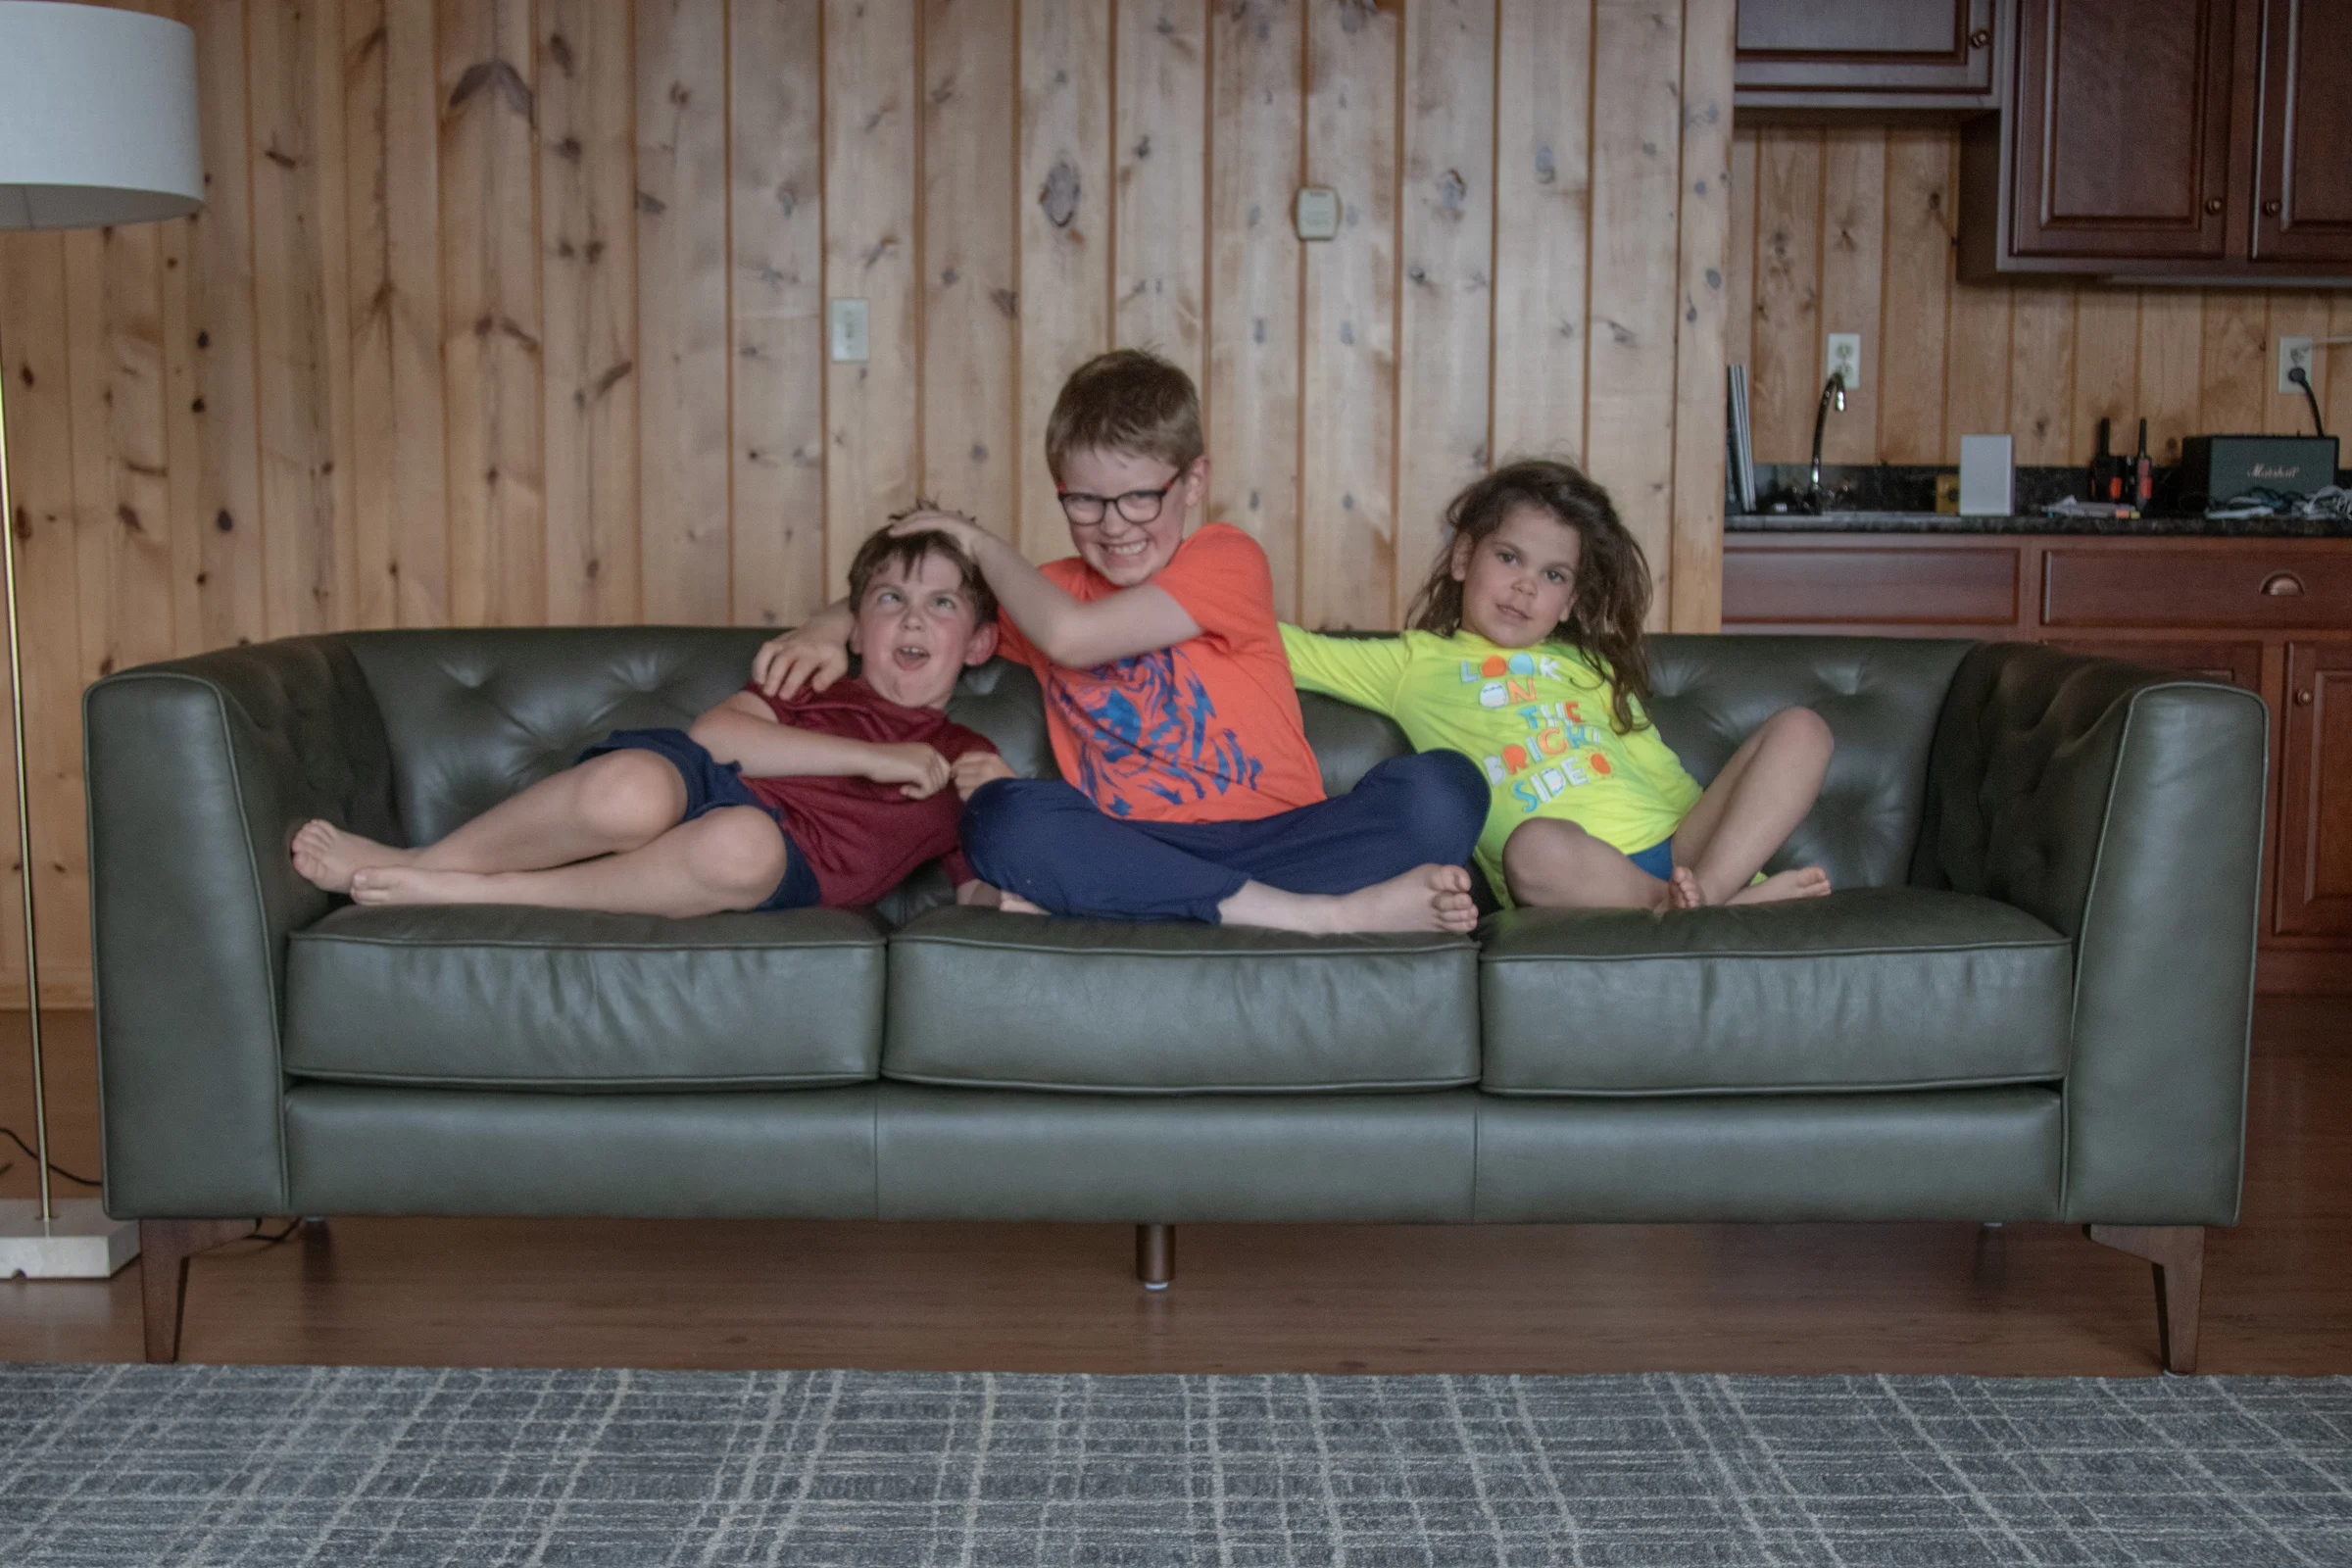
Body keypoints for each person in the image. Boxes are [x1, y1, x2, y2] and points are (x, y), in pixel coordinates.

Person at [754, 349, 1488, 934]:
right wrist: (830, 624)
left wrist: (976, 541)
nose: (1114, 525)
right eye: (1084, 501)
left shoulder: (1226, 558)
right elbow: (926, 601)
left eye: (1139, 496)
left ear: (1193, 481)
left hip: (1283, 835)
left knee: (1447, 788)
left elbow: (1074, 638)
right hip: (1136, 847)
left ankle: (1174, 904)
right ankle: (1321, 917)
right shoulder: (1042, 593)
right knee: (1005, 818)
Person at [290, 523, 1007, 916]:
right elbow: (716, 738)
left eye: (942, 604)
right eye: (890, 600)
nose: (913, 618)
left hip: (779, 861)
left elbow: (974, 885)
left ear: (979, 644)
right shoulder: (812, 676)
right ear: (855, 625)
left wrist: (1013, 875)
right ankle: (420, 864)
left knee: (743, 845)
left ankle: (478, 894)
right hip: (706, 781)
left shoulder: (967, 756)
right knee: (629, 790)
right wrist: (872, 758)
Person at [1279, 459, 1835, 913]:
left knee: (1803, 729)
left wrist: (1714, 864)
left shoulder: (1589, 666)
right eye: (1508, 558)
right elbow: (1280, 646)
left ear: (1569, 601)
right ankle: (1700, 908)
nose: (1525, 587)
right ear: (1464, 558)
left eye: (1552, 575)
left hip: (1677, 851)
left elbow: (1664, 778)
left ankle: (1710, 897)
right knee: (1531, 846)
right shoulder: (1412, 663)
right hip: (1578, 873)